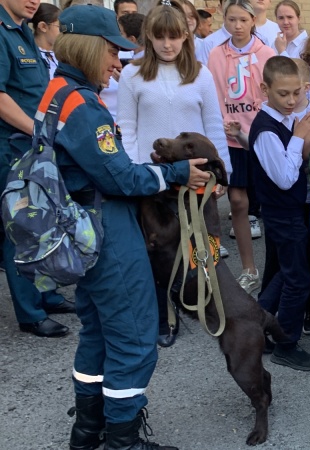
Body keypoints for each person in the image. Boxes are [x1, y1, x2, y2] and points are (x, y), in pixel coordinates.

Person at [50, 5, 210, 450]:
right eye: (112, 51)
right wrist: (175, 175)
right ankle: (123, 441)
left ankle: (88, 431)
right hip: (106, 227)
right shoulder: (84, 105)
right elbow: (119, 176)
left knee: (99, 332)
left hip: (79, 225)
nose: (117, 62)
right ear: (88, 47)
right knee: (136, 337)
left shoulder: (57, 92)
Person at [117, 4, 231, 347]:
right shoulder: (131, 74)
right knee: (158, 248)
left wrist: (222, 173)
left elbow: (213, 126)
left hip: (196, 176)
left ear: (186, 35)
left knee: (205, 241)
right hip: (153, 177)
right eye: (160, 36)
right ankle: (163, 313)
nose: (167, 45)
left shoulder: (200, 73)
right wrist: (140, 174)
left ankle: (206, 300)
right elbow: (128, 128)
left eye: (174, 36)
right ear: (148, 37)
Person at [249, 56, 310, 372]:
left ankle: (255, 319)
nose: (292, 100)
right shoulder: (267, 129)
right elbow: (283, 178)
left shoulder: (286, 120)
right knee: (298, 280)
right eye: (283, 94)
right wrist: (299, 139)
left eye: (297, 92)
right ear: (264, 88)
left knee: (286, 270)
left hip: (295, 210)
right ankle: (286, 343)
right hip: (283, 213)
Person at [0, 0, 72, 338]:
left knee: (41, 222)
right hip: (11, 147)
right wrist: (35, 129)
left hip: (30, 146)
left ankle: (46, 294)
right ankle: (30, 313)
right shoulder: (2, 31)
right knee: (20, 229)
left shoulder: (22, 30)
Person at [207, 0, 275, 293]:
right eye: (231, 20)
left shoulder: (266, 53)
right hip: (230, 138)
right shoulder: (215, 54)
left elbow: (272, 95)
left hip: (259, 137)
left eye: (242, 20)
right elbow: (212, 92)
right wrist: (220, 123)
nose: (237, 26)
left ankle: (276, 265)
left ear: (252, 21)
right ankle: (249, 268)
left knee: (270, 203)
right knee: (237, 201)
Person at [32, 3, 60, 80]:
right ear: (43, 27)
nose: (62, 32)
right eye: (59, 27)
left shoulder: (60, 56)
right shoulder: (31, 56)